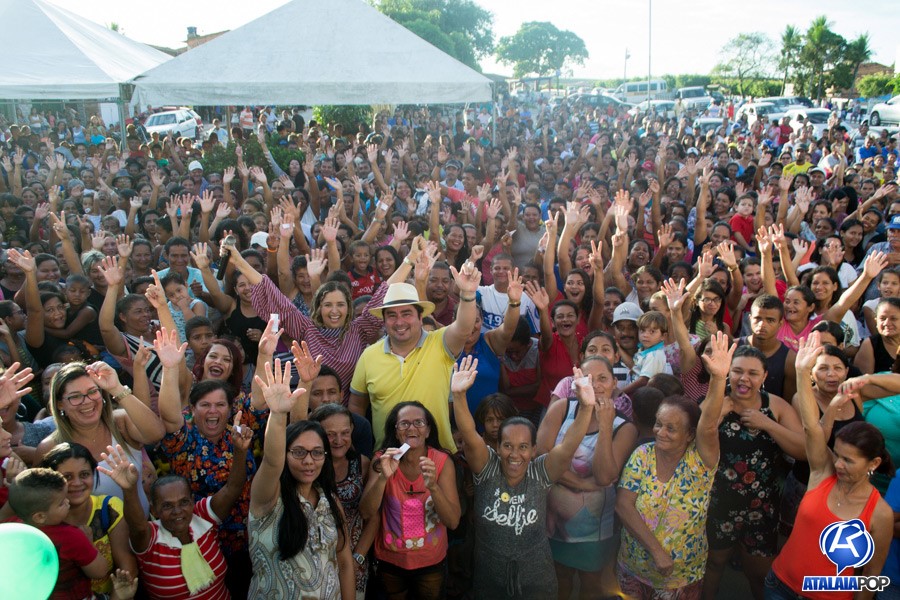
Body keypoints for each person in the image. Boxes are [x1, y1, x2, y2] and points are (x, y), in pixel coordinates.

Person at [451, 356, 604, 599]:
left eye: (523, 447)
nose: (515, 454)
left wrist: (585, 407)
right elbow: (470, 435)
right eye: (508, 446)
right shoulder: (487, 468)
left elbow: (568, 444)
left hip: (536, 578)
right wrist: (458, 396)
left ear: (534, 450)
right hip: (489, 577)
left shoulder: (540, 472)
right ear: (497, 448)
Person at [768, 333, 894, 600]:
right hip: (779, 587)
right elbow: (811, 428)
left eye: (848, 460)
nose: (837, 463)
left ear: (874, 463)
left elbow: (873, 578)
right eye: (836, 455)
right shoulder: (821, 474)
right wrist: (802, 373)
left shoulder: (880, 514)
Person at [615, 333, 732, 598]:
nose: (661, 432)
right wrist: (657, 551)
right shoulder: (642, 454)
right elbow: (623, 505)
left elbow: (710, 422)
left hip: (681, 575)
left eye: (671, 428)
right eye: (658, 424)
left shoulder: (700, 461)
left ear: (690, 434)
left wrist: (719, 378)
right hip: (634, 568)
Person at [702, 345, 805, 599]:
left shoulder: (776, 406)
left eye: (752, 373)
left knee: (760, 575)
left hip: (762, 508)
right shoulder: (717, 400)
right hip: (718, 503)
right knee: (713, 565)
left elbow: (803, 450)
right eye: (736, 371)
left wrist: (767, 423)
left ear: (764, 377)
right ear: (727, 373)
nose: (744, 379)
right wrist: (721, 411)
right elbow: (699, 440)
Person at [350, 256, 482, 452]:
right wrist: (364, 453)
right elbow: (357, 407)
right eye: (392, 315)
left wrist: (468, 293)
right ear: (384, 321)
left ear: (421, 318)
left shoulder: (440, 343)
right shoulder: (368, 356)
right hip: (387, 464)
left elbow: (464, 328)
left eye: (407, 314)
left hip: (439, 458)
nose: (399, 322)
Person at [248, 358, 355, 599]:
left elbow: (345, 563)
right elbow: (272, 461)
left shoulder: (330, 501)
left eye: (317, 453)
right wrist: (277, 413)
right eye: (298, 452)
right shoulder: (268, 499)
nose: (309, 461)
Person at [99, 435, 249, 600]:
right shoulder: (150, 538)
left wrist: (240, 450)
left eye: (184, 502)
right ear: (154, 510)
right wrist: (129, 489)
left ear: (192, 502)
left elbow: (233, 488)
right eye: (167, 506)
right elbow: (137, 526)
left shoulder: (203, 516)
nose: (177, 511)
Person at [537, 356, 639, 599]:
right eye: (587, 379)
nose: (595, 385)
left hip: (595, 530)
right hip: (553, 523)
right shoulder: (561, 409)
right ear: (575, 383)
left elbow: (604, 477)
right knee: (558, 579)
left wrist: (605, 425)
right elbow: (542, 458)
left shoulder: (625, 428)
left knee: (591, 585)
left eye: (602, 379)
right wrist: (581, 483)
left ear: (614, 383)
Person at [35, 361, 165, 516]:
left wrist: (116, 387)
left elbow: (156, 434)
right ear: (60, 405)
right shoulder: (49, 447)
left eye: (92, 391)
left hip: (143, 532)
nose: (87, 401)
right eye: (75, 397)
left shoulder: (121, 423)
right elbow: (41, 503)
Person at [359, 401, 460, 599]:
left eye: (419, 423)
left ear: (428, 430)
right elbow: (366, 512)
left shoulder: (441, 462)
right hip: (390, 561)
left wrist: (433, 487)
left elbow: (453, 521)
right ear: (396, 432)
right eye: (404, 424)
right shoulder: (382, 459)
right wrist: (383, 478)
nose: (412, 428)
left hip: (431, 562)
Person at [40, 441, 139, 598]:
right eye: (67, 477)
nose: (77, 483)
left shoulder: (108, 508)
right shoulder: (42, 518)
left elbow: (127, 567)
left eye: (84, 475)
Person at [6, 467, 111, 600]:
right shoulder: (71, 537)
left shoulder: (12, 529)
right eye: (61, 503)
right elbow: (99, 571)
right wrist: (89, 542)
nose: (68, 502)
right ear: (39, 517)